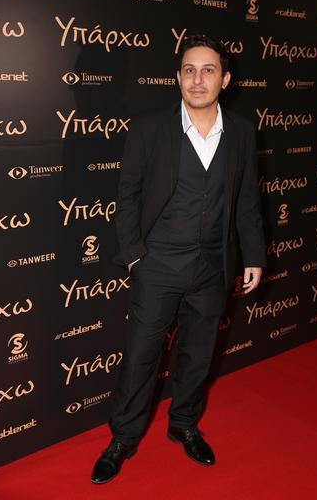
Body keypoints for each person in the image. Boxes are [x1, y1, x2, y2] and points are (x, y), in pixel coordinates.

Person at [91, 34, 267, 484]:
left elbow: (247, 200)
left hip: (213, 266)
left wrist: (253, 254)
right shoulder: (150, 128)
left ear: (225, 79)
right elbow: (127, 195)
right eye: (189, 70)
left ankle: (184, 424)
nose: (197, 79)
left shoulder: (242, 132)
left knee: (198, 354)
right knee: (140, 357)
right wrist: (135, 256)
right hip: (158, 265)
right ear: (178, 78)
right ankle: (123, 438)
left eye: (208, 70)